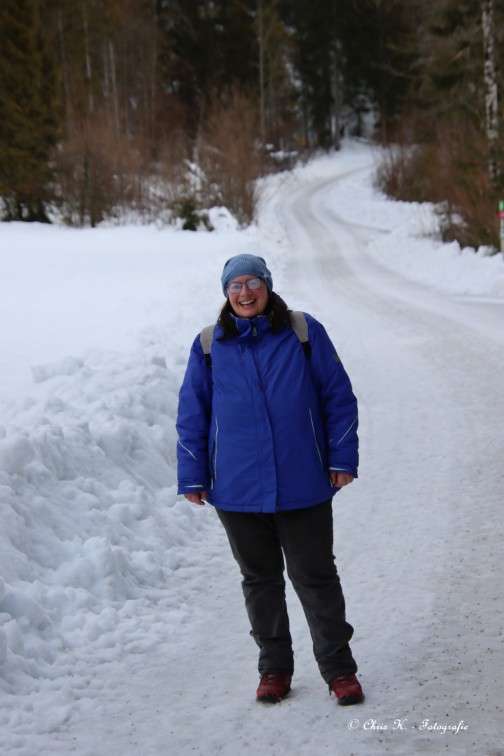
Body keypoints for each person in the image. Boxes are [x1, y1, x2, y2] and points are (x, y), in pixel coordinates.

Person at [176, 253, 364, 706]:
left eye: (252, 283)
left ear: (267, 286)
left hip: (304, 483)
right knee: (260, 582)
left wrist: (342, 457)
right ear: (226, 293)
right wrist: (192, 475)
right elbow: (192, 414)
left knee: (315, 578)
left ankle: (339, 670)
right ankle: (274, 669)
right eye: (235, 285)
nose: (245, 293)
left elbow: (338, 397)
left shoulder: (302, 331)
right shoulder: (209, 344)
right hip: (236, 490)